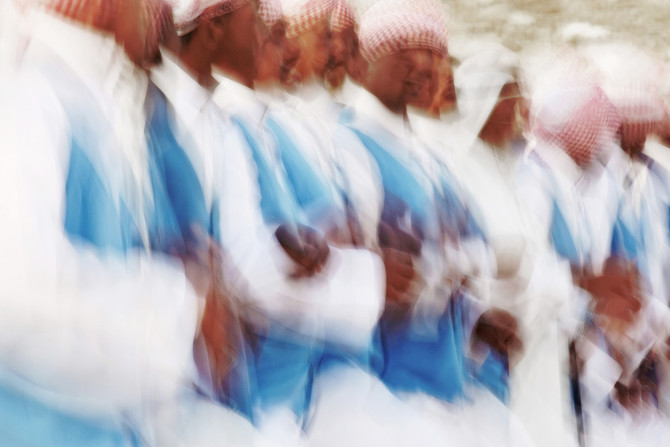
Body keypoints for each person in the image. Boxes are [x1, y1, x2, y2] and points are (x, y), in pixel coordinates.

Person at [0, 0, 207, 444]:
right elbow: (16, 291)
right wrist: (181, 314)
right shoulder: (33, 98)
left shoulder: (90, 99)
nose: (155, 12)